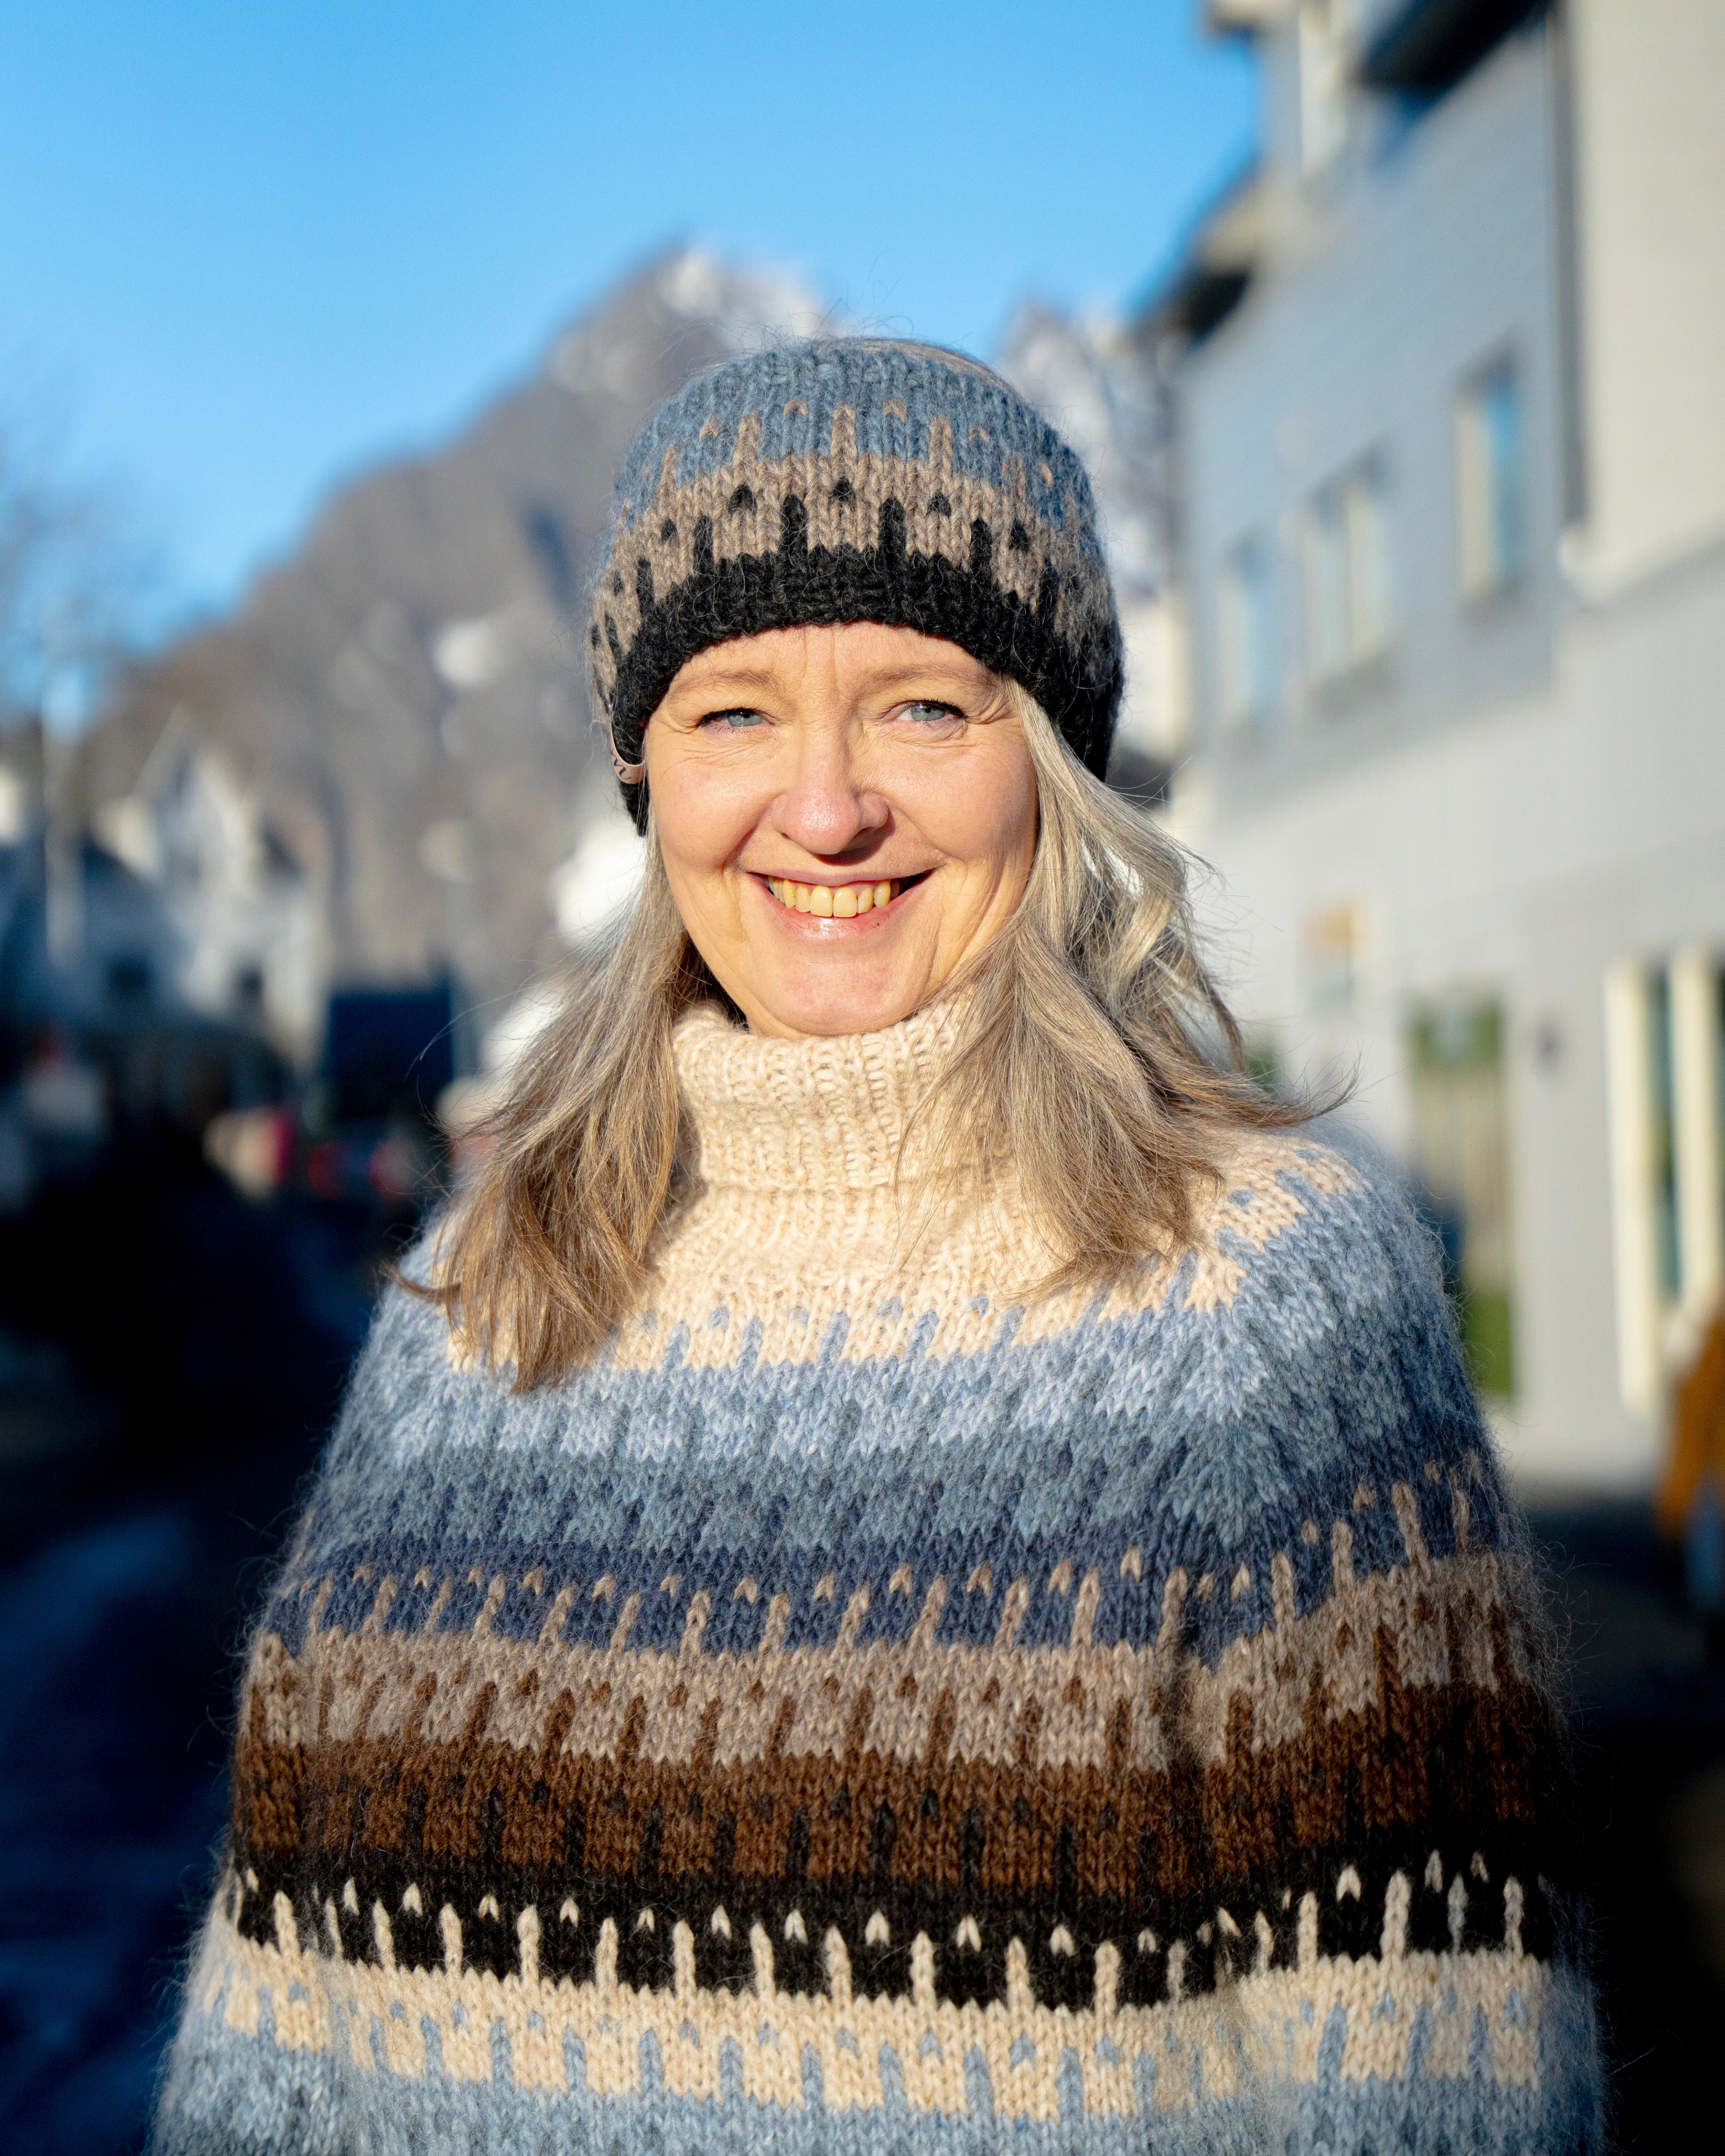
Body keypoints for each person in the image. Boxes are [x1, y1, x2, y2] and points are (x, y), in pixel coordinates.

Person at [151, 340, 1600, 2153]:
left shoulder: (1269, 1308)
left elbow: (1448, 2085)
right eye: (736, 711)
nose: (825, 809)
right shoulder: (479, 1301)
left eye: (925, 705)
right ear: (645, 776)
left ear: (1056, 769)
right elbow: (268, 2048)